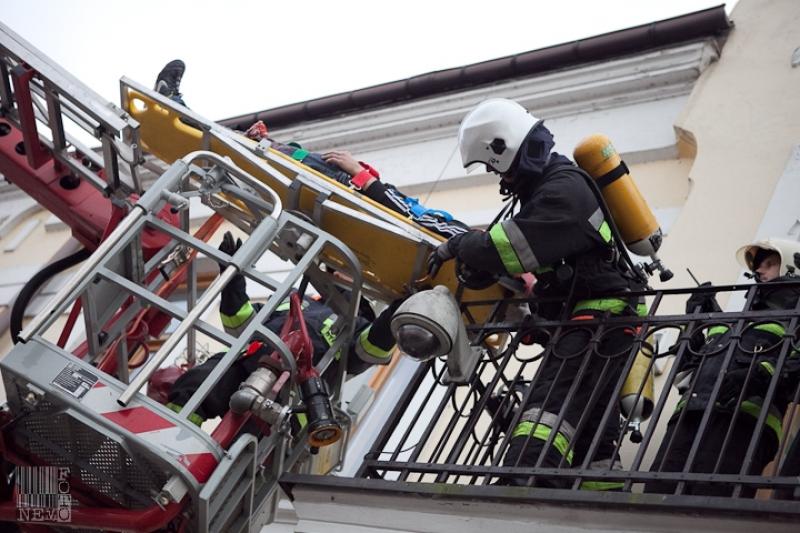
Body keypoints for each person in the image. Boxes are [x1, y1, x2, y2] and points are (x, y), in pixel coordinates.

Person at [428, 98, 645, 489]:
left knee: (548, 406)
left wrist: (457, 245)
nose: (498, 176)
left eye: (494, 165)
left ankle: (523, 482)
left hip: (600, 314)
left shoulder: (563, 190)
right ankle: (599, 494)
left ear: (505, 147)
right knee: (593, 419)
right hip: (602, 315)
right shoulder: (550, 189)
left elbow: (507, 248)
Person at [154, 60, 469, 239]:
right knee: (265, 153)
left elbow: (409, 217)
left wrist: (361, 175)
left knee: (262, 153)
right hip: (351, 201)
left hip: (348, 192)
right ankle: (197, 118)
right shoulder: (463, 243)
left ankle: (182, 111)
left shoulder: (460, 237)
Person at [165, 231, 402, 423]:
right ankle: (171, 440)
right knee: (199, 382)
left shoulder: (361, 324)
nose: (338, 274)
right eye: (336, 269)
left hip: (292, 395)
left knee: (257, 439)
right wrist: (233, 278)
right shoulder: (296, 297)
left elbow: (371, 349)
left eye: (347, 272)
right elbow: (240, 322)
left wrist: (398, 312)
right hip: (248, 363)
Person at [647, 238, 800, 497]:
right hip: (689, 416)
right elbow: (685, 372)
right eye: (758, 265)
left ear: (791, 269)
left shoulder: (794, 322)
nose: (759, 270)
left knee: (709, 502)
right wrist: (695, 321)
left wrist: (758, 375)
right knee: (657, 497)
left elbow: (795, 367)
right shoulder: (730, 324)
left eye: (769, 264)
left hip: (744, 423)